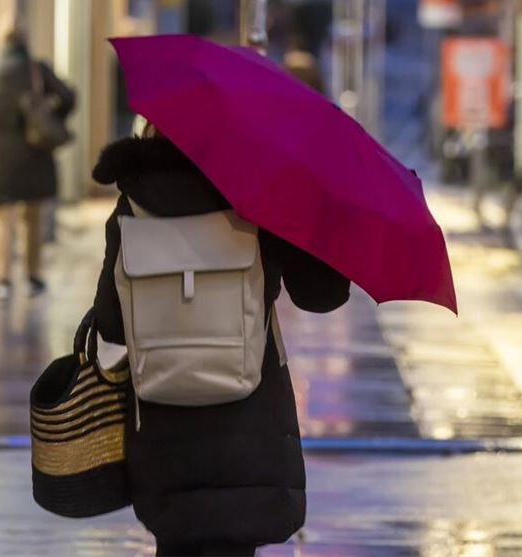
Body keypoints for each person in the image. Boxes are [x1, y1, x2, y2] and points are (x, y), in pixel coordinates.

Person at [92, 125, 350, 557]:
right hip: (249, 426)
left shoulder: (132, 203)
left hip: (163, 430)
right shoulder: (260, 196)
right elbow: (321, 294)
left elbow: (112, 325)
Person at [0, 20, 75, 299]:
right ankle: (32, 277)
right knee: (32, 217)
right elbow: (68, 96)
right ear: (25, 40)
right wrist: (51, 111)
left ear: (0, 41)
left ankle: (2, 280)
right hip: (33, 154)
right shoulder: (36, 70)